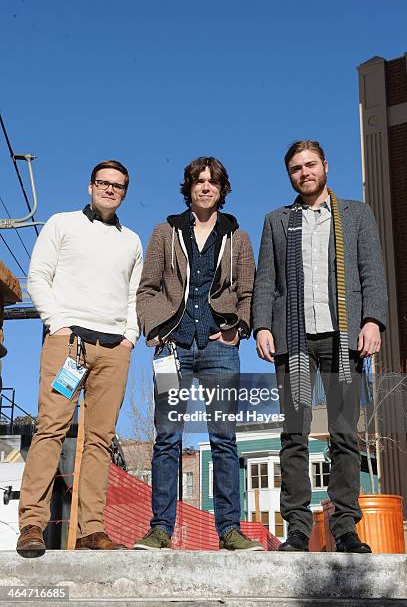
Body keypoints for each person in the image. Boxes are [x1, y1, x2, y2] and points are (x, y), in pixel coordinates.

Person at [253, 140, 387, 553]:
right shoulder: (277, 221)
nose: (304, 173)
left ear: (325, 166)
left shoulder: (356, 214)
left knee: (345, 434)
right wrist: (260, 326)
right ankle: (297, 527)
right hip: (292, 340)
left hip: (342, 337)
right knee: (294, 435)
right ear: (289, 175)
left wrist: (373, 321)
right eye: (296, 168)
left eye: (311, 165)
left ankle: (344, 527)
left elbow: (371, 271)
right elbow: (266, 280)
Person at [134, 156, 263, 551]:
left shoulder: (236, 236)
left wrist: (237, 330)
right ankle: (160, 529)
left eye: (213, 182)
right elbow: (148, 287)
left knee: (223, 439)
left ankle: (229, 530)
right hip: (174, 347)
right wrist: (154, 329)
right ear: (188, 187)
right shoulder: (165, 231)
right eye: (199, 181)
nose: (205, 187)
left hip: (219, 349)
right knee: (168, 438)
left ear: (222, 190)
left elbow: (248, 291)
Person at [16, 160, 143, 557]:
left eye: (118, 186)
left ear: (124, 192)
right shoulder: (62, 223)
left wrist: (129, 338)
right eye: (103, 183)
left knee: (101, 440)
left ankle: (91, 529)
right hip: (69, 345)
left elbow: (133, 296)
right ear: (90, 186)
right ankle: (32, 525)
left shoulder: (132, 241)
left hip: (113, 350)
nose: (110, 189)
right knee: (51, 428)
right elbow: (38, 276)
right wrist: (57, 324)